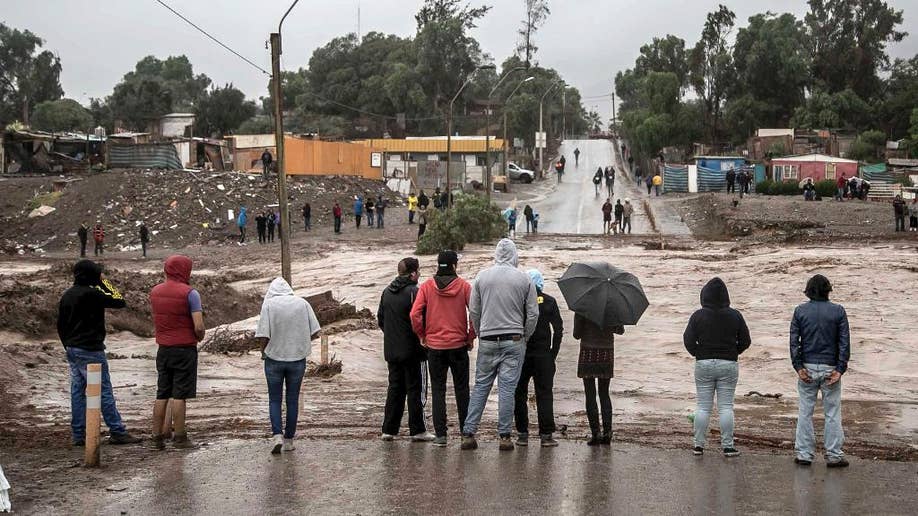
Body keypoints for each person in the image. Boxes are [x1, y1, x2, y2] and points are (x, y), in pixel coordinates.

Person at [463, 239, 539, 451]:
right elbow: (533, 313)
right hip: (514, 340)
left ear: (496, 254)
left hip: (487, 339)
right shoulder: (524, 279)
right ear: (515, 255)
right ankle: (504, 436)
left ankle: (468, 433)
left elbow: (474, 311)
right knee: (507, 389)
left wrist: (480, 332)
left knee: (481, 386)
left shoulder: (481, 277)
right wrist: (525, 335)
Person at [57, 260, 141, 446]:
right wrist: (104, 282)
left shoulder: (68, 295)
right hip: (91, 350)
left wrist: (67, 345)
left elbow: (61, 325)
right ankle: (117, 430)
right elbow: (120, 300)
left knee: (78, 392)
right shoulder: (93, 294)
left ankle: (79, 434)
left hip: (72, 349)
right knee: (104, 391)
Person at [410, 250, 475, 447]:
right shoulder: (464, 286)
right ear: (454, 266)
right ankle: (466, 433)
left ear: (438, 265)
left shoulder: (427, 286)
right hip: (458, 346)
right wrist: (470, 336)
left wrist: (423, 335)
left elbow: (414, 314)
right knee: (462, 390)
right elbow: (476, 313)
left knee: (438, 391)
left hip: (435, 347)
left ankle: (441, 436)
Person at [683, 278, 751, 457]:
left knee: (703, 407)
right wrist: (733, 352)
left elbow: (688, 340)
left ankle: (698, 446)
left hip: (704, 363)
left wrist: (698, 353)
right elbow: (746, 341)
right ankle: (728, 446)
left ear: (704, 295)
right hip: (728, 363)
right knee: (726, 407)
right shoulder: (735, 315)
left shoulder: (697, 316)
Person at [790, 274, 850, 468]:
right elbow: (844, 343)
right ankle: (833, 455)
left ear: (808, 291)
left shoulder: (800, 311)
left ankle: (805, 454)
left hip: (807, 366)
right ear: (828, 290)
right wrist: (840, 369)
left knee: (805, 411)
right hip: (830, 368)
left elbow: (794, 342)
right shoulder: (838, 311)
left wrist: (798, 367)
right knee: (832, 412)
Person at [256, 277, 321, 454]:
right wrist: (300, 342)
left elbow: (263, 334)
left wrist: (263, 351)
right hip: (297, 359)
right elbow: (316, 332)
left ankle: (277, 435)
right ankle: (289, 440)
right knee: (292, 400)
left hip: (274, 359)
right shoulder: (302, 304)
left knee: (274, 399)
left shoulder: (269, 305)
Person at [149, 255, 206, 450]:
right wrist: (199, 337)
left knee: (162, 392)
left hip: (163, 349)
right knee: (179, 394)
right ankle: (180, 437)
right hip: (184, 349)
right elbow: (198, 325)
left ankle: (157, 437)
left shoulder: (155, 292)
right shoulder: (191, 293)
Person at [378, 258, 432, 442]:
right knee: (416, 390)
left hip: (392, 351)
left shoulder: (386, 292)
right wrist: (423, 339)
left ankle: (388, 430)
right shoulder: (415, 292)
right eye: (419, 271)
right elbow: (422, 318)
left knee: (395, 389)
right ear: (412, 274)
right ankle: (418, 430)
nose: (420, 274)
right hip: (414, 352)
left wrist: (393, 336)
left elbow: (381, 320)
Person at [514, 269, 563, 447]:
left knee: (519, 394)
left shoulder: (519, 302)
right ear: (541, 283)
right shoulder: (550, 301)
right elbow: (559, 330)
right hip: (544, 356)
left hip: (522, 355)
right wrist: (553, 354)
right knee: (544, 394)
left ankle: (522, 434)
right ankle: (546, 435)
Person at [574, 313, 623, 445]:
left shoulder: (582, 307)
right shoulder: (612, 307)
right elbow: (620, 330)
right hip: (606, 352)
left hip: (588, 352)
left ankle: (595, 433)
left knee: (590, 394)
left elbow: (576, 334)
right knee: (604, 393)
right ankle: (607, 432)